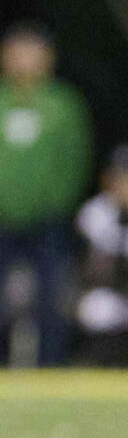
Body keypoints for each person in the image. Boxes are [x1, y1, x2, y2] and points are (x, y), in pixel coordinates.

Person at [0, 22, 93, 366]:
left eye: (33, 52)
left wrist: (57, 203)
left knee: (53, 294)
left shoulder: (64, 104)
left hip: (48, 219)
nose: (24, 61)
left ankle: (52, 364)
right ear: (2, 57)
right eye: (17, 52)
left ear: (49, 58)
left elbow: (77, 158)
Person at [77, 145, 128, 367]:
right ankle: (100, 368)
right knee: (99, 307)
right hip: (110, 290)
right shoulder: (95, 213)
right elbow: (98, 268)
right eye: (122, 178)